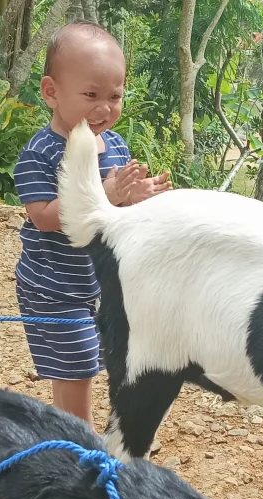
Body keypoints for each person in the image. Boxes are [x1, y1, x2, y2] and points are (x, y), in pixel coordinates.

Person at [13, 21, 171, 427]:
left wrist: (138, 196)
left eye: (114, 96)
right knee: (77, 368)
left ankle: (75, 435)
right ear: (52, 92)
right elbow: (43, 217)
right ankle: (76, 445)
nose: (105, 108)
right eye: (91, 95)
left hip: (102, 285)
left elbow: (115, 209)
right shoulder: (42, 153)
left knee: (107, 359)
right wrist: (105, 194)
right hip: (54, 288)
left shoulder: (115, 145)